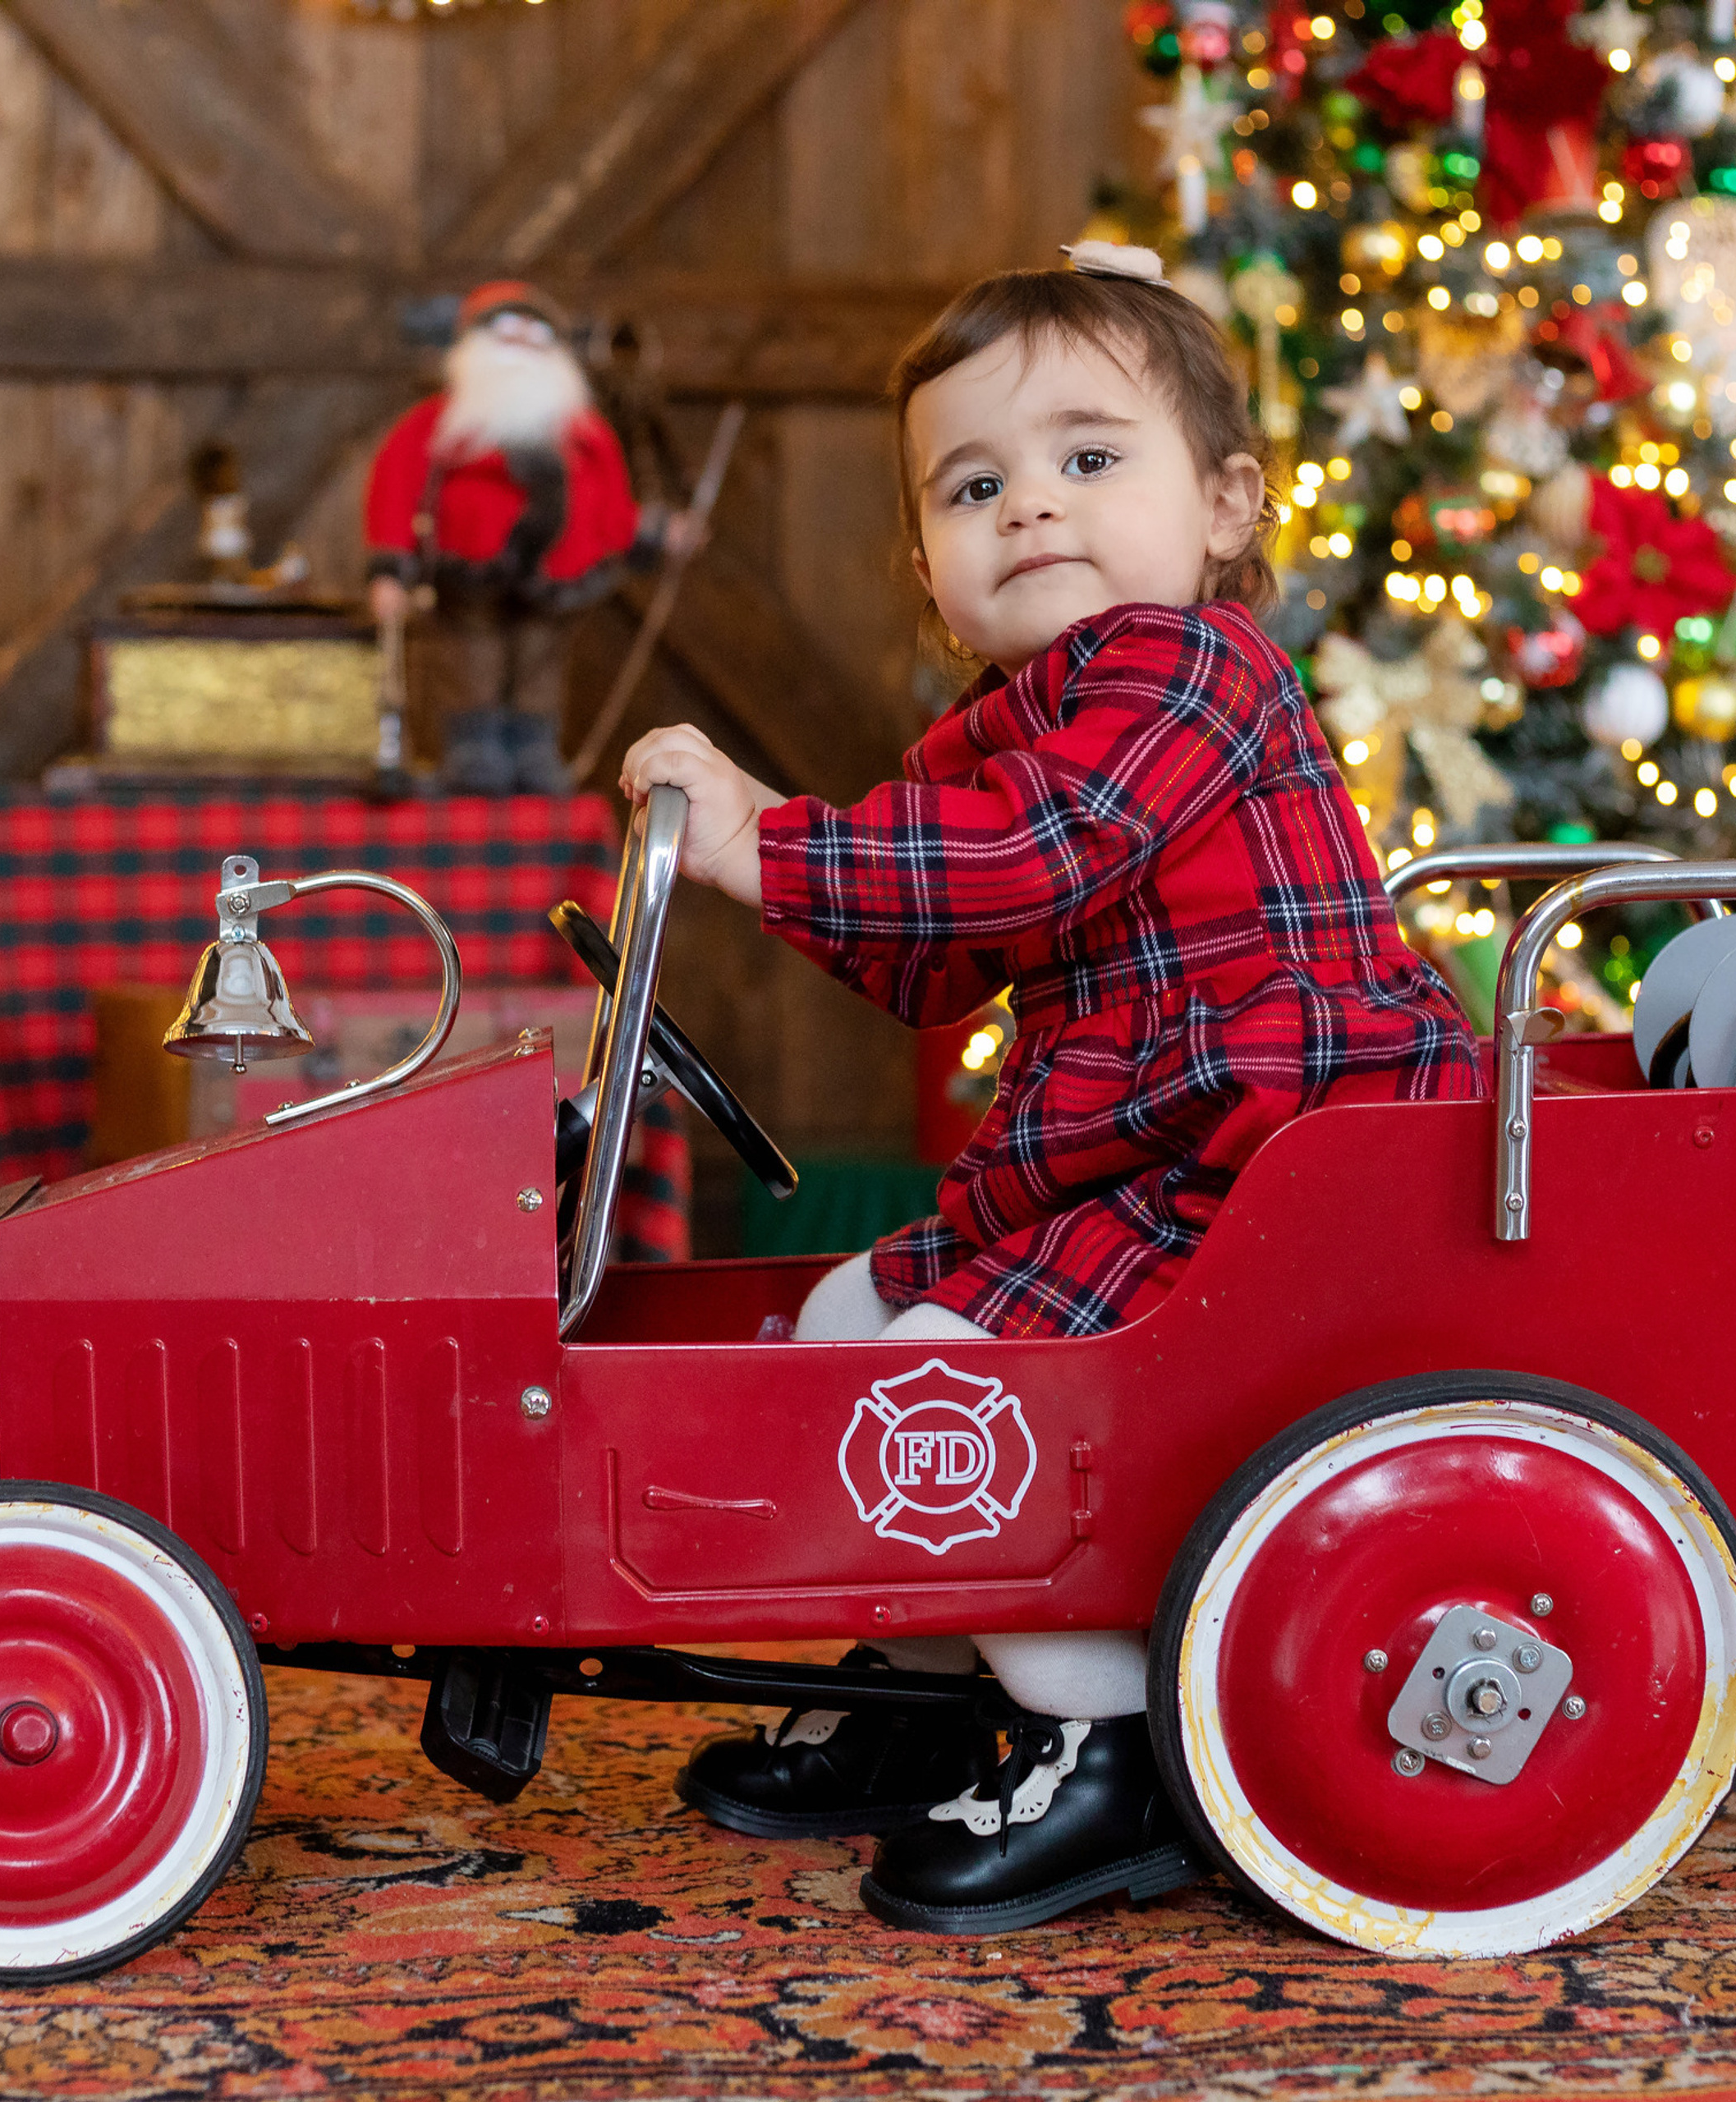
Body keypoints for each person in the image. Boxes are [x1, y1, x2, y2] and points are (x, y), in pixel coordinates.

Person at [618, 247, 1486, 1934]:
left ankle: (1108, 1743)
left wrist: (764, 836)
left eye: (1089, 457)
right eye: (973, 486)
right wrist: (756, 866)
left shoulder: (1191, 666)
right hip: (1125, 1151)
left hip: (1269, 1144)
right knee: (849, 1320)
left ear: (1223, 503)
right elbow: (932, 961)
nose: (1029, 504)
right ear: (930, 571)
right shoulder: (997, 727)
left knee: (956, 1383)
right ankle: (937, 1679)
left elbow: (1040, 857)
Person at [365, 281, 699, 796]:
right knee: (470, 662)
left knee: (541, 667)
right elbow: (395, 489)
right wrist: (389, 569)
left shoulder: (584, 433)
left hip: (557, 581)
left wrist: (654, 533)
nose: (520, 343)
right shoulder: (438, 424)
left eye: (534, 333)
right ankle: (473, 753)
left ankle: (533, 752)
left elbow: (610, 507)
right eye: (505, 331)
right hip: (467, 577)